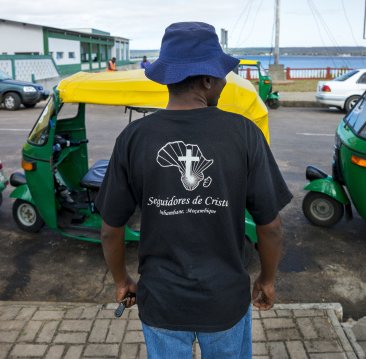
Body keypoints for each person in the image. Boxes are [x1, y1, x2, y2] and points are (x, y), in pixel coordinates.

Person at [96, 22, 292, 359]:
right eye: (221, 74)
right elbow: (270, 228)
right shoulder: (244, 133)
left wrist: (121, 281)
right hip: (225, 301)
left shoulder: (133, 138)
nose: (225, 81)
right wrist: (267, 279)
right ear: (206, 79)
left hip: (162, 301)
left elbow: (110, 232)